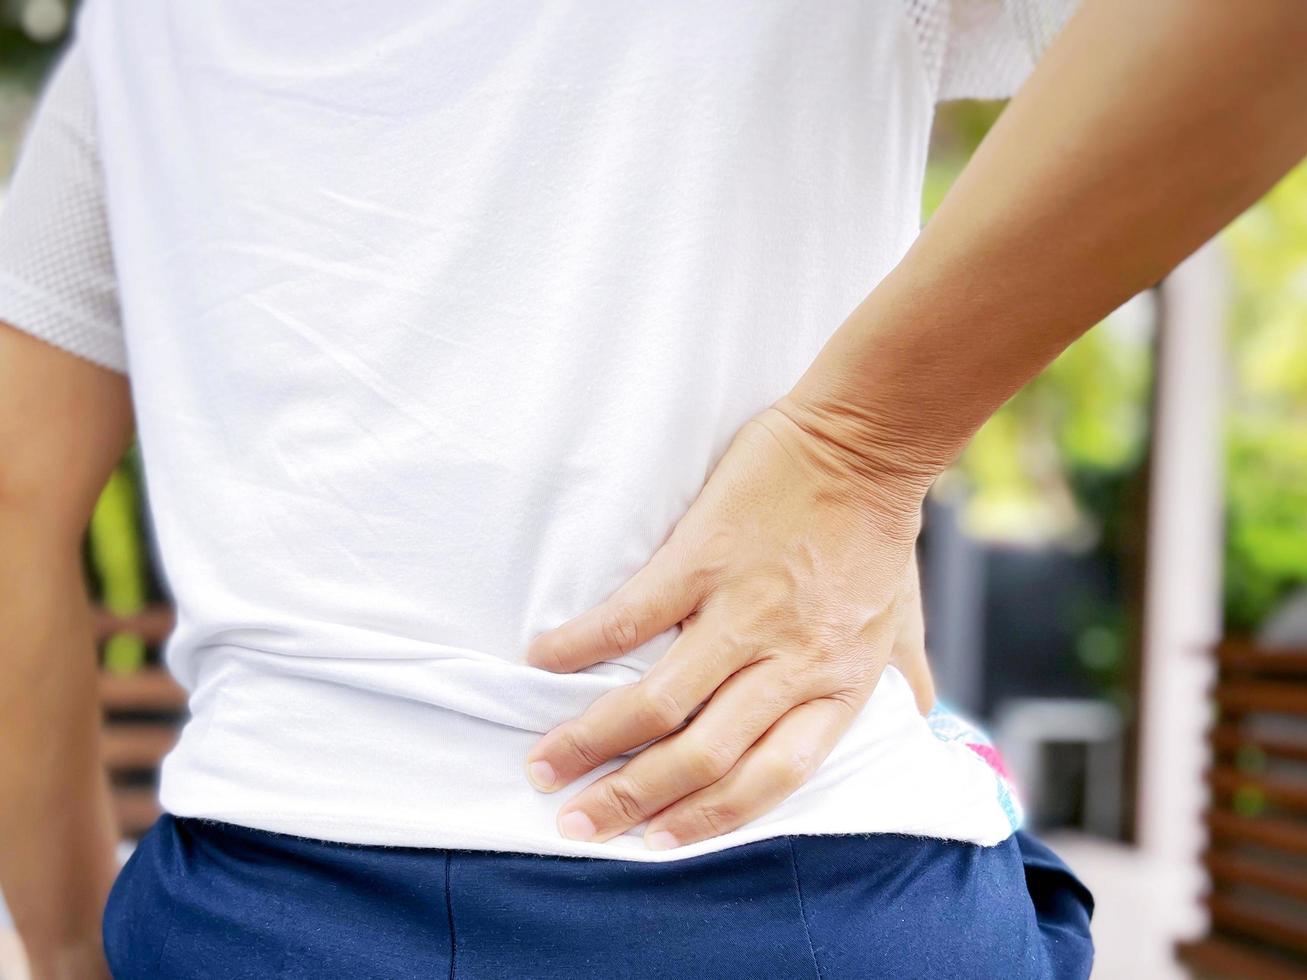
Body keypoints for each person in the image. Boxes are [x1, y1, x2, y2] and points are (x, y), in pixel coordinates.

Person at [1, 0, 1304, 976]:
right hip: (792, 902)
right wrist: (863, 449)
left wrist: (64, 951)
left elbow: (15, 491)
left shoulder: (140, 27)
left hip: (255, 908)